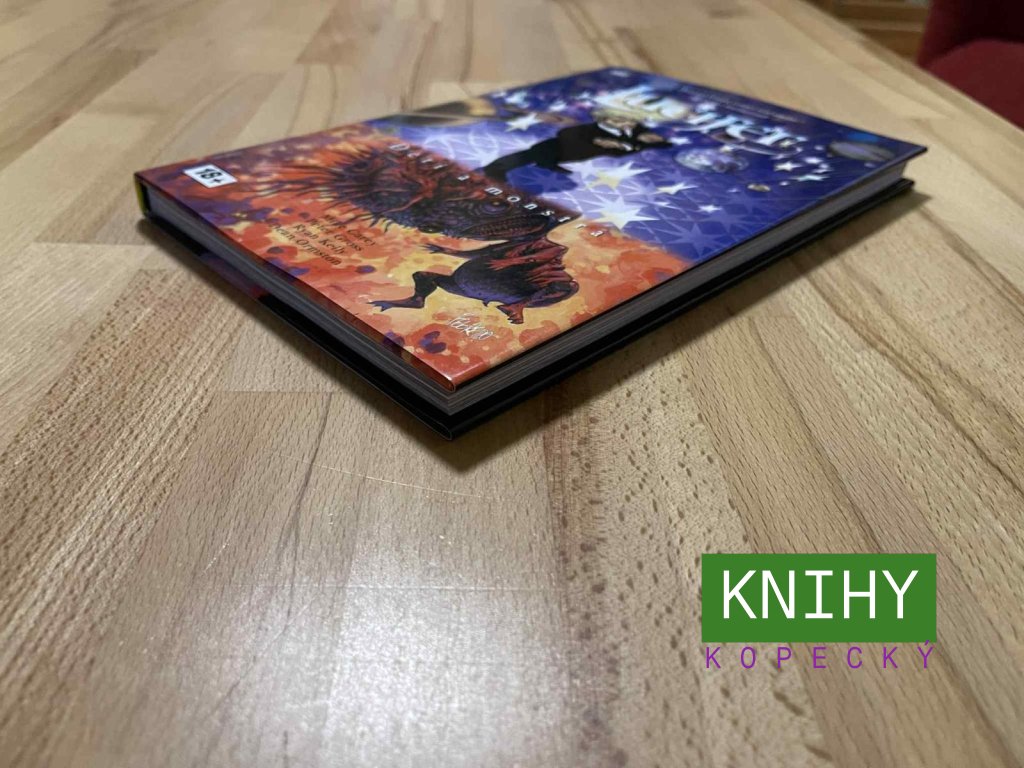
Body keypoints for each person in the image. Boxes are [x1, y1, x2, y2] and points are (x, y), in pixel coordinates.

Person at [481, 114, 671, 181]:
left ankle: (547, 166)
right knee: (528, 156)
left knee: (541, 164)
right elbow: (566, 133)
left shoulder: (633, 135)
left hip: (572, 156)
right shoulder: (591, 128)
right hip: (554, 147)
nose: (621, 123)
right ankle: (494, 171)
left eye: (625, 120)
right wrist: (596, 142)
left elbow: (623, 150)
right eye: (616, 119)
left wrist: (620, 144)